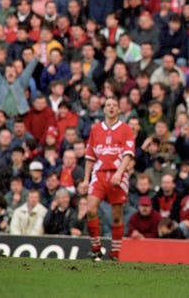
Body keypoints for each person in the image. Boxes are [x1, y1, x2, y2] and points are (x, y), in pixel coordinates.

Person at [83, 96, 136, 261]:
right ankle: (96, 247)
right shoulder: (96, 129)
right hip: (99, 174)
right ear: (104, 109)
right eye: (108, 105)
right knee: (91, 209)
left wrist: (120, 173)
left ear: (119, 110)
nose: (111, 108)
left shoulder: (126, 129)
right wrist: (86, 179)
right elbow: (90, 156)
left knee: (116, 215)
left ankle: (114, 253)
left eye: (114, 105)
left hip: (117, 174)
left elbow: (128, 154)